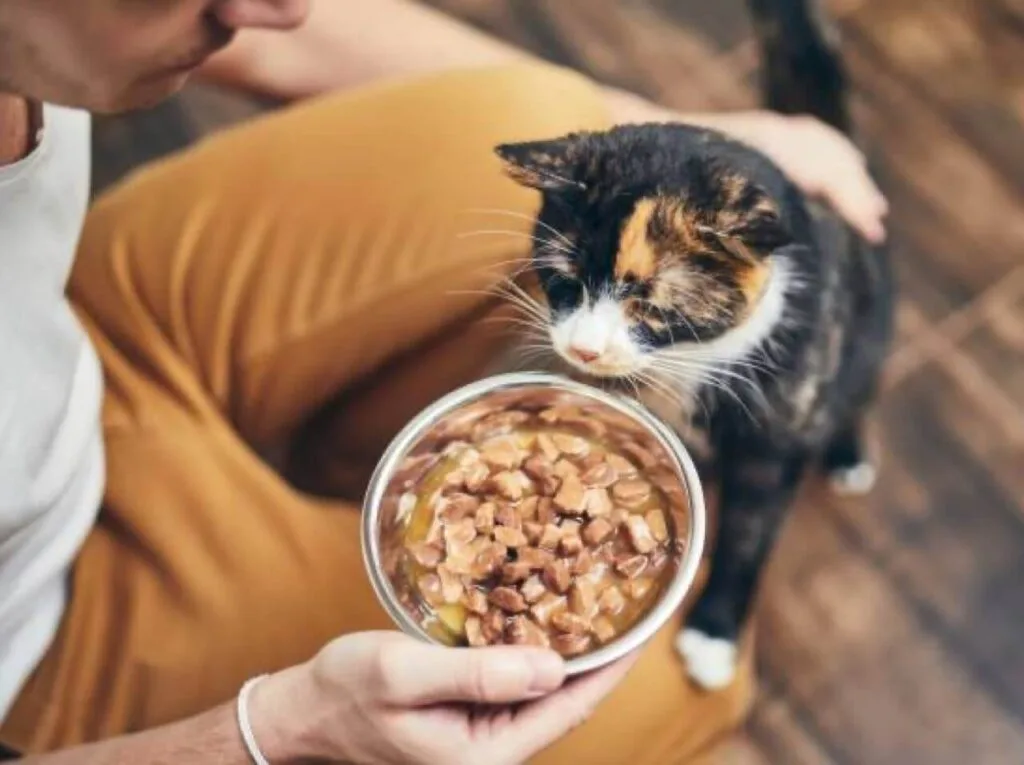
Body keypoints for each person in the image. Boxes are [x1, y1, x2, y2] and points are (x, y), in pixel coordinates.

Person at [0, 1, 887, 762]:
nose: (281, 5)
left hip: (74, 318)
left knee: (535, 101)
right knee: (684, 688)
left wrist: (654, 139)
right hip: (39, 637)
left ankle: (327, 472)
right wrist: (270, 734)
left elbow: (283, 34)